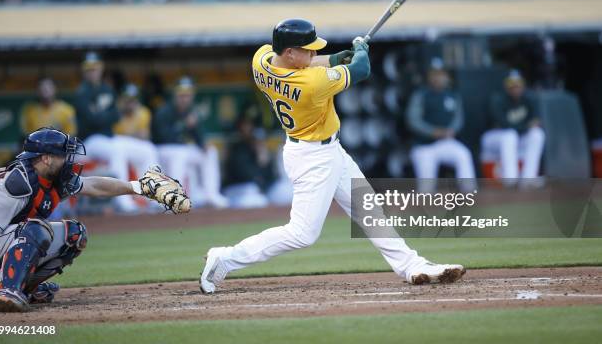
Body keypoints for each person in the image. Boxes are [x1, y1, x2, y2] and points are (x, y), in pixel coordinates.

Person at [199, 19, 465, 294]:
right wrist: (360, 50)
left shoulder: (262, 59)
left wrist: (336, 58)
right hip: (314, 158)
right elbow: (361, 70)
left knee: (369, 210)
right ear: (290, 52)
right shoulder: (310, 84)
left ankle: (412, 265)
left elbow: (305, 63)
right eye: (308, 50)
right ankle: (225, 258)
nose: (314, 54)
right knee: (302, 234)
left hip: (321, 150)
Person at [0, 128, 189, 312]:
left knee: (74, 235)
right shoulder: (16, 184)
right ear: (46, 159)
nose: (68, 160)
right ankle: (7, 291)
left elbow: (95, 186)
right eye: (63, 155)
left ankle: (22, 288)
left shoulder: (52, 179)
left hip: (1, 245)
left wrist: (139, 187)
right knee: (35, 229)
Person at [73, 52, 141, 213]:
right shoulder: (81, 92)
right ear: (84, 72)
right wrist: (107, 115)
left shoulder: (107, 89)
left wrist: (102, 115)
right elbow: (92, 121)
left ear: (100, 69)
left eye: (95, 68)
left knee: (146, 149)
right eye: (89, 69)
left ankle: (149, 197)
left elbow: (116, 115)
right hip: (89, 141)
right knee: (117, 151)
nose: (92, 72)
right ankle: (123, 201)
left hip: (108, 137)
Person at [153, 77, 229, 209]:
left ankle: (211, 195)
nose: (184, 98)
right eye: (181, 95)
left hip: (182, 149)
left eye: (187, 95)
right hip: (163, 150)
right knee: (180, 154)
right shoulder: (164, 111)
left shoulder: (191, 111)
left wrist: (203, 144)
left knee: (210, 151)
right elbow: (162, 136)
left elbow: (199, 136)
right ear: (175, 95)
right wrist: (184, 126)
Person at [406, 58, 476, 192]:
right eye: (434, 74)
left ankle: (469, 193)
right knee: (426, 190)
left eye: (441, 74)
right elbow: (413, 120)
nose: (438, 77)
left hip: (445, 142)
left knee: (463, 154)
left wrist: (451, 130)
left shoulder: (452, 95)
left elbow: (458, 118)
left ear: (446, 76)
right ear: (429, 76)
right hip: (424, 146)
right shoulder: (421, 94)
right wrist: (432, 131)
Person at [481, 70, 546, 185]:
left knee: (537, 134)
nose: (515, 88)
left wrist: (529, 126)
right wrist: (527, 126)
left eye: (518, 84)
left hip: (518, 136)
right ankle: (511, 180)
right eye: (512, 85)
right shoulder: (498, 99)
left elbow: (536, 121)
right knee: (510, 135)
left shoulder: (529, 98)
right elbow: (505, 125)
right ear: (506, 86)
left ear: (523, 85)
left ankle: (528, 179)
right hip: (493, 138)